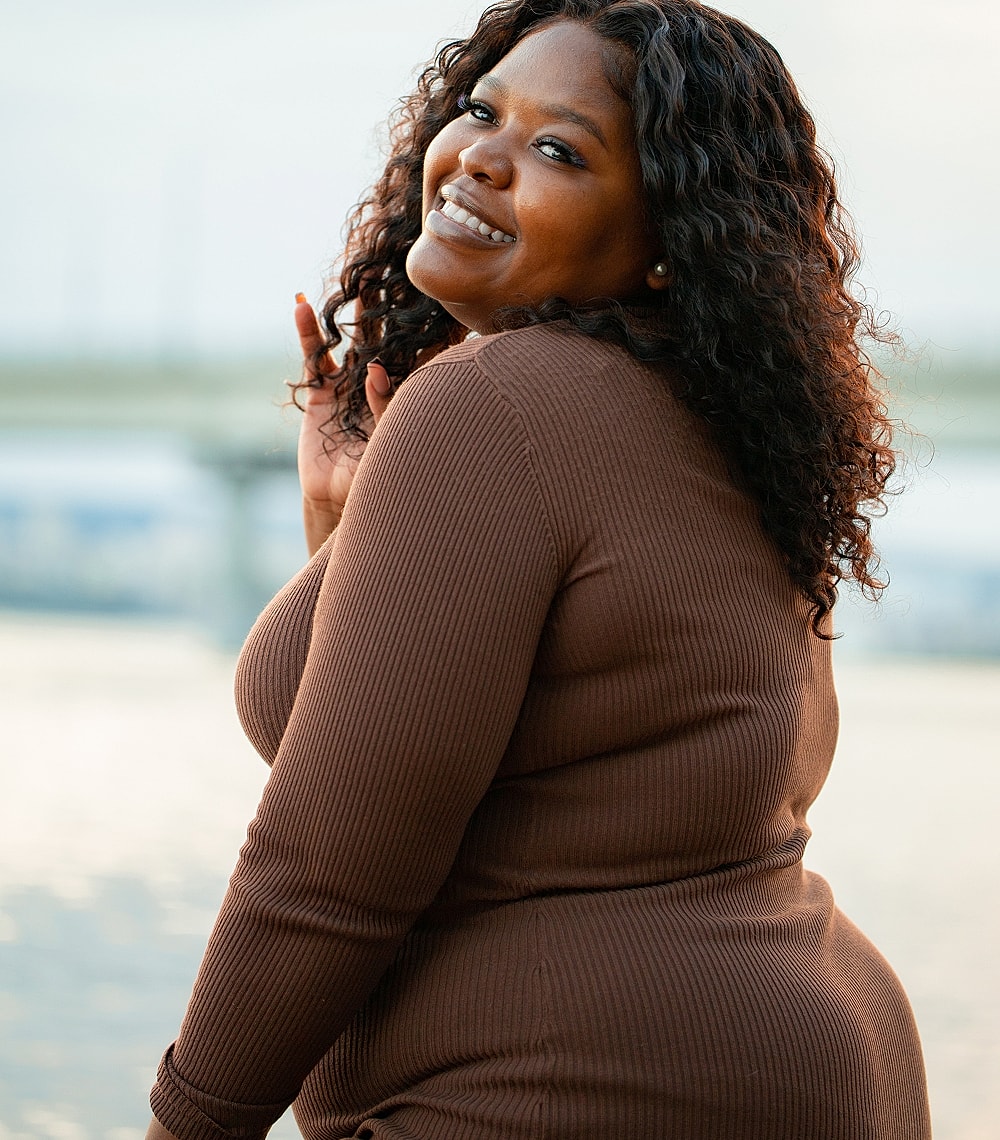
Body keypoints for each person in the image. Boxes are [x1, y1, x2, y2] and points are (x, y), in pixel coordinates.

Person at [147, 2, 931, 1137]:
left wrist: (188, 1124)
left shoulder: (494, 408)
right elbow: (507, 753)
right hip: (789, 1060)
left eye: (560, 150)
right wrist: (347, 528)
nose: (481, 157)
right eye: (481, 110)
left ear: (666, 235)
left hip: (581, 1085)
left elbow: (327, 868)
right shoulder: (725, 428)